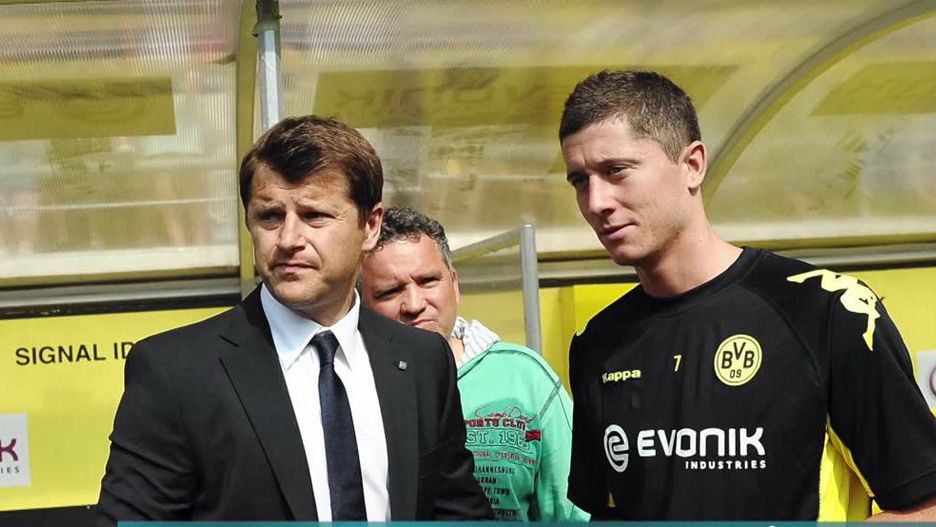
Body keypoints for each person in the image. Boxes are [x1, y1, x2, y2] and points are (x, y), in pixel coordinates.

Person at [558, 70, 936, 521]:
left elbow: (926, 507)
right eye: (580, 181)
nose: (596, 201)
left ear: (693, 165)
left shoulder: (827, 311)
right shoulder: (598, 343)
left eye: (616, 171)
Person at [95, 116, 493, 524]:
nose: (288, 239)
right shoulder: (177, 372)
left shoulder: (423, 360)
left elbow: (459, 513)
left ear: (371, 226)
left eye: (314, 215)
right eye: (269, 216)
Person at [359, 206, 588, 522]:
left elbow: (574, 513)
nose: (413, 304)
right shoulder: (348, 389)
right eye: (390, 291)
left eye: (428, 281)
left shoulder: (524, 378)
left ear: (454, 284)